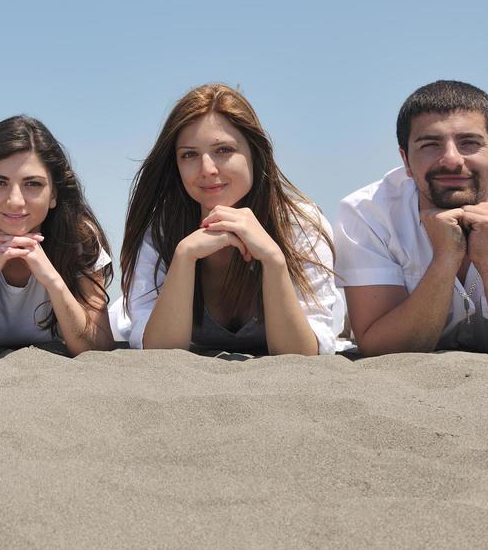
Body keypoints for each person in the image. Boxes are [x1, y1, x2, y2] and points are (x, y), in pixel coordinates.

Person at [335, 79, 488, 358]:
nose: (451, 159)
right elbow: (380, 348)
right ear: (406, 161)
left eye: (469, 143)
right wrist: (446, 259)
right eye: (430, 145)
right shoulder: (368, 213)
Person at [116, 84, 340, 356]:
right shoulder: (162, 231)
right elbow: (159, 352)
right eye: (189, 154)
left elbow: (303, 355)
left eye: (223, 150)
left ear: (255, 154)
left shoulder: (301, 225)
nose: (207, 169)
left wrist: (273, 260)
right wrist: (185, 256)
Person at [0, 116, 112, 357]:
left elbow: (99, 347)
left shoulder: (80, 239)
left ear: (54, 195)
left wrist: (52, 279)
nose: (15, 201)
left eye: (33, 184)